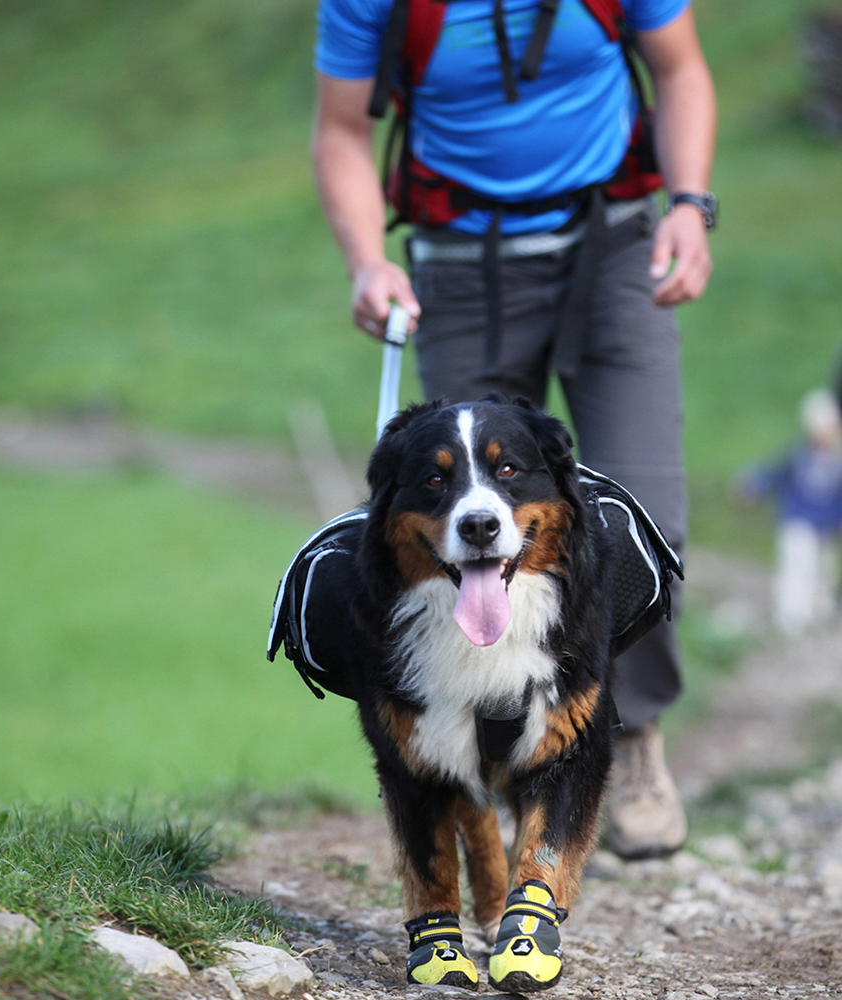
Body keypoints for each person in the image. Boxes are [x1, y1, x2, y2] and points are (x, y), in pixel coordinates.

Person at [311, 0, 717, 860]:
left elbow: (679, 69)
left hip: (616, 250)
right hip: (463, 265)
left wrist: (689, 204)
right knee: (471, 527)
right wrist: (366, 259)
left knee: (647, 520)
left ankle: (628, 731)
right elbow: (343, 127)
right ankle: (489, 750)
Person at [738, 389, 842, 635]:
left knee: (823, 569)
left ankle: (820, 614)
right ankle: (792, 616)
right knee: (798, 567)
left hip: (825, 527)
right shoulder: (798, 456)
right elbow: (773, 473)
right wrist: (752, 484)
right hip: (798, 522)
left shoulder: (836, 463)